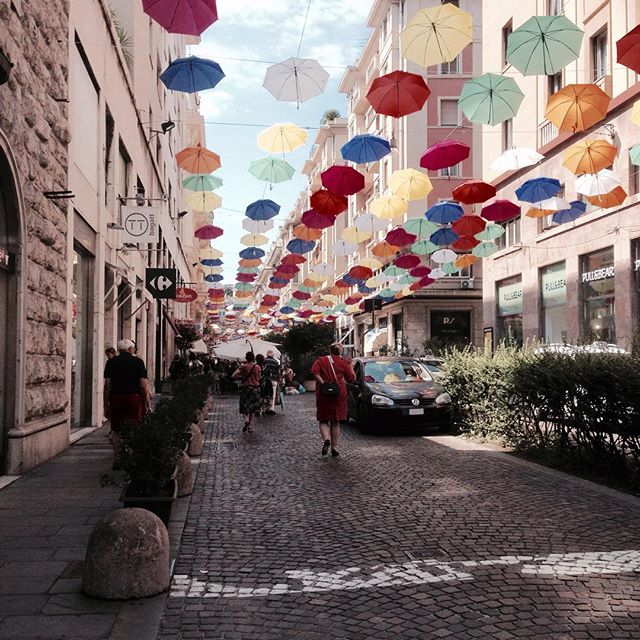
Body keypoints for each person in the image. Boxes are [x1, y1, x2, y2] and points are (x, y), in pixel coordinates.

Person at [104, 339, 152, 465]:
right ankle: (131, 456)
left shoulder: (111, 362)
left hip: (116, 398)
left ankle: (118, 459)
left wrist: (106, 404)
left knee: (116, 429)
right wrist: (146, 402)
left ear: (119, 350)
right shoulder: (138, 362)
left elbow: (108, 385)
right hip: (133, 398)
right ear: (131, 349)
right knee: (135, 427)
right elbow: (142, 385)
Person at [310, 344, 356, 458]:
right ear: (340, 352)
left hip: (324, 393)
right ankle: (335, 447)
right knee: (335, 421)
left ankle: (326, 439)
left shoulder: (321, 360)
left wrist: (323, 383)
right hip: (339, 393)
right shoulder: (343, 362)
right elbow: (352, 378)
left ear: (330, 351)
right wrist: (350, 365)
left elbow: (315, 373)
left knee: (323, 419)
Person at [231, 351, 262, 433]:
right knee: (252, 407)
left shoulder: (243, 366)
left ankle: (246, 419)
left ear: (246, 358)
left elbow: (233, 375)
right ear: (253, 358)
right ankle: (250, 426)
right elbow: (259, 378)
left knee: (244, 405)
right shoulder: (258, 367)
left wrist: (242, 376)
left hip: (246, 388)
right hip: (255, 388)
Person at [262, 350, 280, 415]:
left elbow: (262, 370)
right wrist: (279, 379)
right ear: (273, 355)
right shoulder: (276, 362)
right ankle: (271, 409)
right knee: (273, 395)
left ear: (267, 354)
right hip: (273, 380)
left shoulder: (264, 361)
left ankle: (264, 408)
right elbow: (278, 371)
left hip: (265, 379)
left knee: (264, 394)